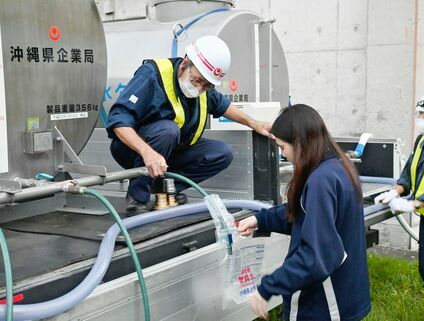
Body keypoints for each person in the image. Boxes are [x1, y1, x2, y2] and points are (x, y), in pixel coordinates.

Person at [106, 35, 273, 213]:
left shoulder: (204, 89)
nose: (200, 89)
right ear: (185, 64)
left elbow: (222, 105)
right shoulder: (152, 75)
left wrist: (254, 123)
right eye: (197, 81)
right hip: (133, 149)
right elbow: (118, 119)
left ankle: (165, 188)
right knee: (168, 130)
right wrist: (147, 152)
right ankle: (137, 197)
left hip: (171, 151)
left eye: (207, 85)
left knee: (222, 153)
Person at [238, 104, 371, 321]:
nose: (283, 155)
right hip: (346, 293)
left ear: (299, 143)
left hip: (326, 303)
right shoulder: (338, 167)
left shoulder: (320, 180)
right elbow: (304, 215)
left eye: (282, 147)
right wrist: (260, 220)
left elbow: (317, 255)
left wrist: (267, 288)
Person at [375, 88, 424, 320]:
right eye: (421, 114)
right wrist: (394, 191)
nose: (423, 120)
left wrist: (412, 205)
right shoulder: (422, 141)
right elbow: (409, 173)